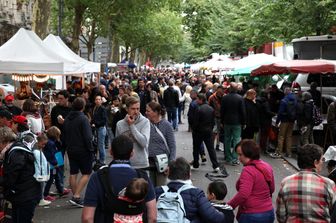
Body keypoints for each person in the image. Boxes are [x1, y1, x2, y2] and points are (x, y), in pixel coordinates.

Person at [82, 135, 157, 223]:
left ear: (111, 152)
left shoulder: (98, 177)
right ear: (132, 153)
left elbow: (87, 218)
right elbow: (152, 217)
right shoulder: (142, 176)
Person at [276, 144, 336, 223]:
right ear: (315, 162)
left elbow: (281, 215)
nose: (322, 162)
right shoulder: (328, 184)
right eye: (322, 159)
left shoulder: (286, 182)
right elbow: (333, 213)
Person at [155, 157, 227, 222]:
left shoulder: (157, 191)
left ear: (169, 174)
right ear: (189, 174)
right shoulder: (196, 193)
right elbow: (214, 217)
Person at [228, 139, 275, 223]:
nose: (238, 158)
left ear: (248, 153)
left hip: (252, 215)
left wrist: (230, 205)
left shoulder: (248, 170)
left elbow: (243, 194)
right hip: (268, 213)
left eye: (240, 155)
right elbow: (272, 188)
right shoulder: (267, 166)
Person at [3, 128, 41, 223]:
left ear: (4, 141)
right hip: (26, 194)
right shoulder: (17, 148)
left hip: (25, 197)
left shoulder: (16, 153)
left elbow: (10, 178)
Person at [63, 97, 94, 207]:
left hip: (71, 149)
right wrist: (91, 149)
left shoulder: (67, 118)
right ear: (83, 106)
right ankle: (76, 196)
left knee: (73, 173)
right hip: (83, 149)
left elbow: (64, 134)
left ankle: (76, 197)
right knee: (86, 173)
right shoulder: (83, 118)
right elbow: (88, 136)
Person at [146, 101, 176, 186]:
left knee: (161, 189)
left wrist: (170, 164)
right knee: (150, 191)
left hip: (162, 163)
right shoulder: (145, 124)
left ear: (155, 112)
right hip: (148, 162)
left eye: (148, 111)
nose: (146, 113)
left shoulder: (167, 125)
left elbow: (172, 146)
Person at [115, 96, 150, 169]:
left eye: (138, 109)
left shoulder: (145, 122)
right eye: (133, 109)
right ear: (127, 109)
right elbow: (117, 147)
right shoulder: (120, 124)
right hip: (125, 164)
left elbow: (144, 143)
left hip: (141, 164)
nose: (136, 111)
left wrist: (132, 125)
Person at [190, 93, 221, 172]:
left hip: (198, 131)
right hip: (208, 131)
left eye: (197, 99)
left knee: (196, 148)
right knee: (211, 149)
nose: (196, 100)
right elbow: (213, 121)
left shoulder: (198, 109)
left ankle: (196, 164)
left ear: (201, 100)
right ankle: (215, 165)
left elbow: (195, 121)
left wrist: (194, 129)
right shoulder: (211, 108)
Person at [220, 82, 246, 166]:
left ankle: (228, 157)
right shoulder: (240, 98)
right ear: (236, 89)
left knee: (227, 139)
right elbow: (242, 111)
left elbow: (222, 111)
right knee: (236, 139)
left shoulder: (225, 98)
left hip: (227, 121)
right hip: (237, 122)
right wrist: (244, 122)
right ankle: (235, 158)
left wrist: (221, 121)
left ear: (230, 89)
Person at [43, 127, 70, 202]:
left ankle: (60, 190)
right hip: (53, 165)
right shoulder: (51, 144)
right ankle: (45, 194)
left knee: (56, 177)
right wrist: (55, 163)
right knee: (51, 179)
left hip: (53, 164)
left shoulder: (51, 142)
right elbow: (51, 154)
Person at [271, 87, 297, 158]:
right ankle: (289, 153)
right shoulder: (295, 99)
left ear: (285, 92)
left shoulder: (284, 100)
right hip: (292, 120)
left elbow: (280, 112)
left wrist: (277, 122)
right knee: (289, 136)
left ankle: (279, 152)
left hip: (284, 120)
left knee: (281, 136)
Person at [208, 86, 225, 151]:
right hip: (214, 117)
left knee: (219, 132)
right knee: (214, 131)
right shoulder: (212, 97)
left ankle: (217, 145)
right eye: (220, 91)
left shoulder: (224, 96)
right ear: (217, 90)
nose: (221, 93)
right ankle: (211, 146)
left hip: (222, 117)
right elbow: (209, 107)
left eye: (222, 91)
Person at [92, 95, 107, 163]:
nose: (97, 101)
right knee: (98, 145)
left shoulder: (102, 108)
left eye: (99, 99)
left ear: (101, 101)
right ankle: (100, 159)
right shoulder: (95, 108)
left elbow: (104, 121)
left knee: (101, 145)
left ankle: (102, 160)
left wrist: (96, 123)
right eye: (96, 99)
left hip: (101, 128)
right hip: (97, 128)